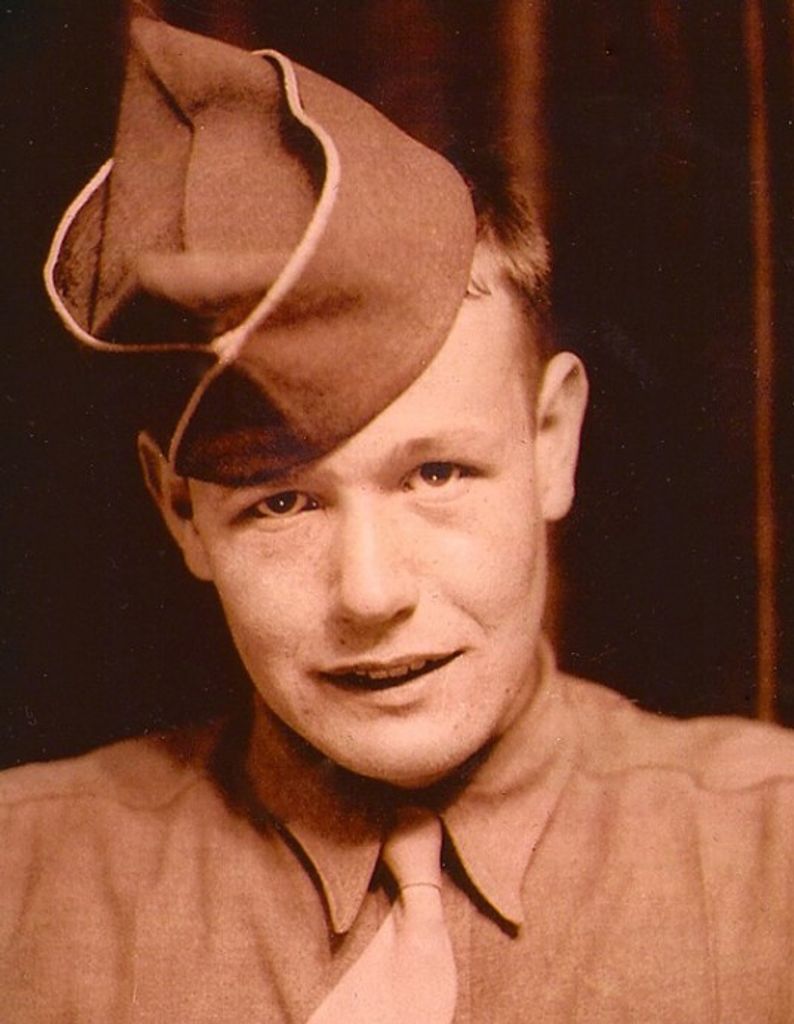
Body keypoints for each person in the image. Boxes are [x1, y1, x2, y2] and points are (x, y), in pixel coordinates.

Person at [2, 15, 794, 1024]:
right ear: (182, 511)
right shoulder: (22, 890)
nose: (369, 594)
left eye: (436, 473)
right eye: (280, 501)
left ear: (551, 441)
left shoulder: (770, 862)